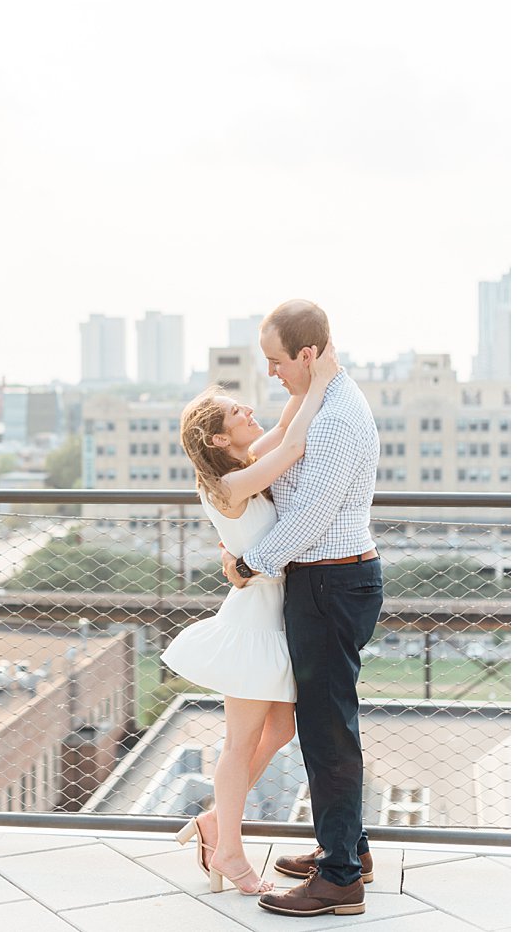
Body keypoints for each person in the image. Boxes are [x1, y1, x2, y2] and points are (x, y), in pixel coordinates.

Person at [220, 299, 383, 920]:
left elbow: (310, 516)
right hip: (326, 583)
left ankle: (340, 878)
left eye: (276, 361)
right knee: (330, 723)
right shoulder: (322, 403)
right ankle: (349, 851)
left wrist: (247, 564)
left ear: (307, 355)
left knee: (327, 731)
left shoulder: (338, 417)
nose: (271, 374)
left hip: (329, 585)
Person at [167, 343, 339, 894]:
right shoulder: (226, 483)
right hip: (253, 625)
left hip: (269, 615)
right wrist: (321, 383)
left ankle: (215, 822)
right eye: (235, 413)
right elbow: (292, 445)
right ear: (218, 439)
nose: (247, 412)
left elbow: (285, 425)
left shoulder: (239, 467)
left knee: (281, 728)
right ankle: (229, 854)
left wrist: (309, 381)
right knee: (239, 744)